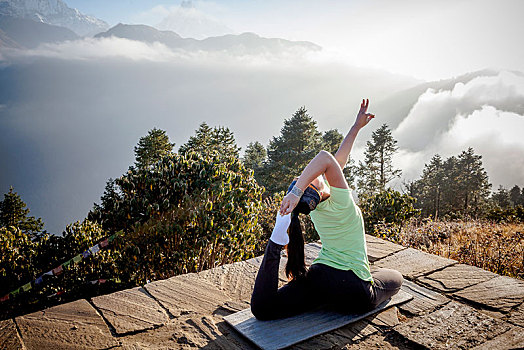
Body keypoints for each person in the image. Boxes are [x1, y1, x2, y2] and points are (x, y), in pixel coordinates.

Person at [250, 99, 403, 320]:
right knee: (395, 277)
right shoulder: (342, 202)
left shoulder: (314, 208)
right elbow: (325, 158)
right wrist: (295, 192)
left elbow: (337, 161)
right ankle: (358, 283)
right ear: (319, 191)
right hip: (353, 290)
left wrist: (356, 127)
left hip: (320, 279)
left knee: (264, 309)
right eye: (314, 179)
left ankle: (274, 243)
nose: (316, 176)